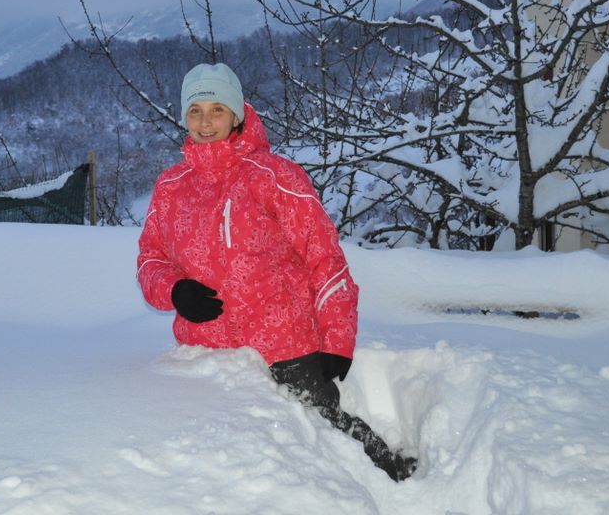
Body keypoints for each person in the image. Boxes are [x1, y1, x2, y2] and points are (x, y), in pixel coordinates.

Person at [136, 62, 417, 482]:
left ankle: (395, 478)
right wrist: (175, 291)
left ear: (236, 114)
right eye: (195, 111)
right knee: (231, 463)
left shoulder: (275, 177)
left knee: (327, 431)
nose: (205, 122)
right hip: (207, 354)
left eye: (216, 109)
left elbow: (325, 258)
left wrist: (337, 340)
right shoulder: (171, 186)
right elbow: (150, 259)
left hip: (284, 347)